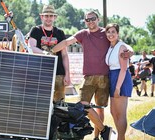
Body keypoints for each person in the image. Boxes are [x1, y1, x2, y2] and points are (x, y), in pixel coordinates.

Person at [50, 10, 133, 140]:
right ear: (85, 21)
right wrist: (51, 50)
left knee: (100, 109)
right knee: (83, 105)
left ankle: (96, 137)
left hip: (105, 78)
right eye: (88, 19)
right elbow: (66, 42)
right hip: (88, 77)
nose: (90, 21)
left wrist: (131, 52)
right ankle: (104, 130)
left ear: (98, 19)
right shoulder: (83, 34)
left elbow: (121, 44)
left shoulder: (105, 33)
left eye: (93, 18)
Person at [27, 5, 71, 103]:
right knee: (42, 102)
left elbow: (64, 55)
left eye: (51, 16)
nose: (48, 18)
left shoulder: (60, 33)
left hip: (59, 73)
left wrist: (67, 74)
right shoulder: (35, 30)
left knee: (59, 103)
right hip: (41, 72)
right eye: (46, 16)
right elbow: (31, 47)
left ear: (55, 17)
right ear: (41, 17)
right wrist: (44, 53)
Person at [105, 23, 133, 140]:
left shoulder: (121, 47)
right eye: (108, 32)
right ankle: (119, 136)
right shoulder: (111, 46)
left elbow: (123, 69)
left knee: (121, 113)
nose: (110, 34)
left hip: (120, 78)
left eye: (113, 32)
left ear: (118, 34)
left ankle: (121, 138)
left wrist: (117, 88)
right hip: (112, 77)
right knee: (113, 111)